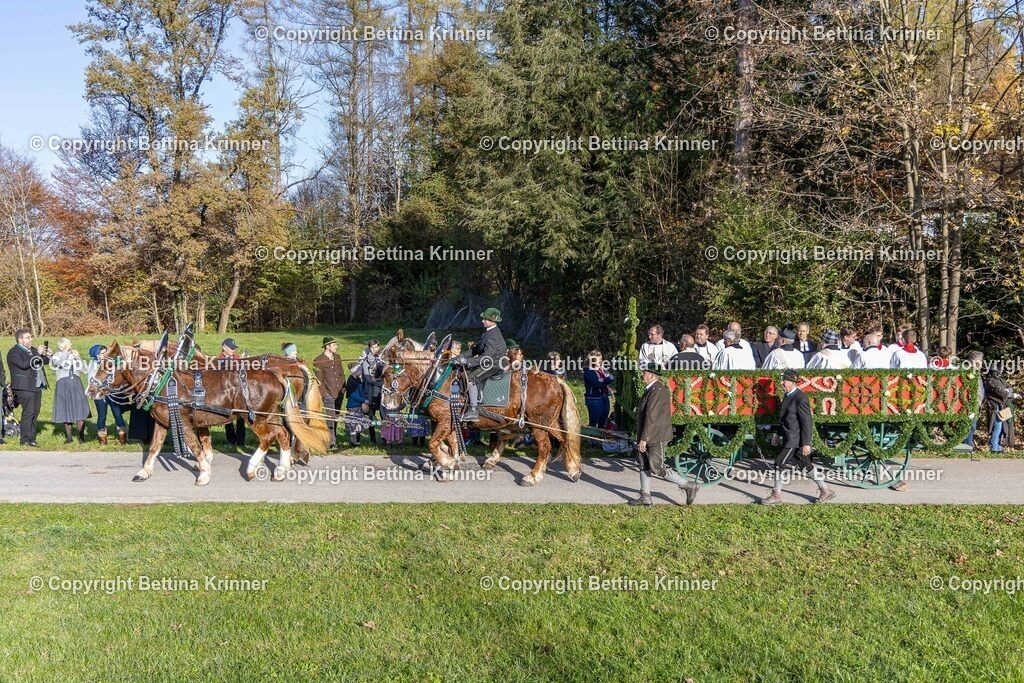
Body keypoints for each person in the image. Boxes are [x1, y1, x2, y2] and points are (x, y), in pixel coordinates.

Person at [759, 369, 835, 505]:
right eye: (782, 380)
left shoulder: (800, 398)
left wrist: (806, 443)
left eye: (785, 380)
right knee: (805, 465)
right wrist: (777, 433)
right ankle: (826, 490)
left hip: (794, 439)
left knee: (779, 463)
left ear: (793, 382)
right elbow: (784, 419)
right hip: (789, 436)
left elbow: (807, 422)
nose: (782, 383)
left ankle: (776, 495)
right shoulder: (788, 396)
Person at [628, 362, 699, 507]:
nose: (643, 375)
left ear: (652, 375)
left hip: (655, 436)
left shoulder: (657, 391)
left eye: (645, 372)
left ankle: (689, 486)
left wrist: (644, 439)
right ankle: (645, 496)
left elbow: (651, 416)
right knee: (643, 465)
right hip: (648, 434)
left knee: (657, 467)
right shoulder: (652, 389)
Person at [454, 308, 508, 422]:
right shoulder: (488, 332)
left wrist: (467, 362)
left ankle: (473, 410)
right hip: (488, 361)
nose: (483, 320)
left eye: (486, 319)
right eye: (483, 318)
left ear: (493, 321)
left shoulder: (494, 335)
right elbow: (476, 350)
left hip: (494, 364)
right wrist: (460, 357)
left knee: (471, 379)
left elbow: (486, 357)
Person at [7, 328, 50, 446]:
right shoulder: (14, 352)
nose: (31, 339)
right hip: (24, 387)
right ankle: (24, 439)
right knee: (28, 412)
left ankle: (32, 438)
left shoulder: (33, 350)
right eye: (28, 337)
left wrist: (48, 356)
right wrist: (38, 354)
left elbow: (43, 361)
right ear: (20, 339)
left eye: (31, 337)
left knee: (35, 413)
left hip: (36, 385)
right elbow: (24, 364)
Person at [49, 338, 92, 444]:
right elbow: (60, 364)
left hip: (76, 383)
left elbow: (84, 370)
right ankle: (69, 437)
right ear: (61, 346)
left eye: (70, 345)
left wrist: (77, 357)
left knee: (79, 410)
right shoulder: (56, 355)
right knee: (66, 409)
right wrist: (65, 352)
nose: (70, 347)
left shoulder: (73, 354)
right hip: (63, 384)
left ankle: (81, 436)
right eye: (68, 345)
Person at [86, 344, 126, 445]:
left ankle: (123, 439)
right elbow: (92, 380)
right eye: (102, 353)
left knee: (118, 415)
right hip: (99, 394)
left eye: (105, 352)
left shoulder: (110, 362)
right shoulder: (93, 365)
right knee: (102, 416)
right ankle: (102, 439)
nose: (105, 354)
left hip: (112, 393)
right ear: (97, 355)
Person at [314, 336, 346, 449]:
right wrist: (325, 394)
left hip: (339, 392)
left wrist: (343, 388)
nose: (336, 347)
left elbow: (341, 373)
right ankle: (331, 441)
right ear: (327, 346)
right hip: (328, 394)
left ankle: (333, 436)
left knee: (335, 416)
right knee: (330, 417)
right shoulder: (318, 360)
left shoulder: (337, 357)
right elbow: (319, 380)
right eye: (334, 345)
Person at [217, 338, 247, 447]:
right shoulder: (218, 360)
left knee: (240, 418)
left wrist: (244, 360)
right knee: (228, 419)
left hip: (238, 391)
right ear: (224, 348)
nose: (233, 351)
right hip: (226, 392)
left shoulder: (238, 357)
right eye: (231, 348)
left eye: (234, 349)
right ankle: (231, 441)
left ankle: (240, 442)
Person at [984, 368, 1017, 453]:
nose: (1001, 372)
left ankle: (997, 445)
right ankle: (994, 446)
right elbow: (1000, 393)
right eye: (999, 370)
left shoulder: (1001, 380)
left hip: (1003, 406)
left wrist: (1008, 391)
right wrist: (1010, 393)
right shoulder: (990, 381)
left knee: (1003, 427)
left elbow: (1009, 388)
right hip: (995, 406)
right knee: (997, 426)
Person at [358, 339, 384, 443]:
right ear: (369, 348)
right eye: (372, 348)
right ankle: (373, 439)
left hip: (382, 392)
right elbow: (368, 379)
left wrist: (379, 381)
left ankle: (385, 438)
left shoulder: (383, 360)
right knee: (370, 416)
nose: (374, 349)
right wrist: (380, 382)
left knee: (384, 416)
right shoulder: (366, 361)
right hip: (370, 392)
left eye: (376, 347)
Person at [584, 350, 615, 428]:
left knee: (603, 422)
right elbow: (598, 384)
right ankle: (591, 439)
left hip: (604, 398)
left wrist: (603, 380)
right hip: (594, 399)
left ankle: (600, 439)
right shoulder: (588, 371)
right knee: (593, 423)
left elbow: (612, 377)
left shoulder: (601, 369)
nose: (601, 362)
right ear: (593, 361)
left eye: (601, 359)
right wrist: (605, 379)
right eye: (599, 360)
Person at [963, 351, 985, 448]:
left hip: (977, 403)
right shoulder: (969, 371)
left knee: (972, 426)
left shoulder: (977, 372)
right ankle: (967, 445)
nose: (982, 363)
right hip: (970, 403)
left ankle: (968, 444)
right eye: (980, 361)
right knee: (970, 426)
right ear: (974, 361)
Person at [344, 363, 367, 446]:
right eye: (360, 370)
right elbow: (352, 394)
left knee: (358, 424)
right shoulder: (350, 381)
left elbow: (361, 391)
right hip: (353, 405)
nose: (361, 372)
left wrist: (364, 399)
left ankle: (357, 440)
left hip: (359, 405)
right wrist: (362, 400)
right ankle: (352, 441)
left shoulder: (358, 379)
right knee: (353, 424)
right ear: (355, 371)